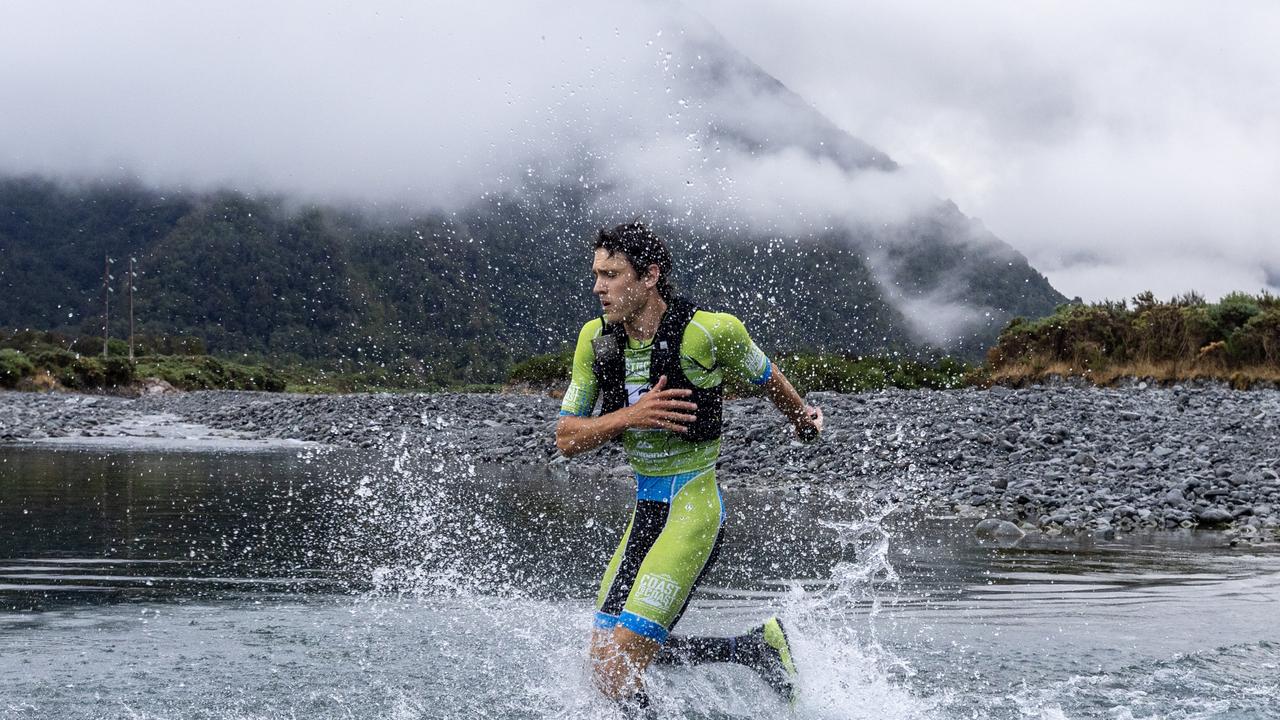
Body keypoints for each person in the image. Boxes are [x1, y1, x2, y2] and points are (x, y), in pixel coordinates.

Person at [555, 221, 824, 710]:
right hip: (645, 513)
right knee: (601, 666)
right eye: (596, 274)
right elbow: (567, 438)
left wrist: (803, 420)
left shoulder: (710, 332)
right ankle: (752, 650)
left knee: (618, 669)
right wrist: (632, 416)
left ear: (650, 275)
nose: (598, 287)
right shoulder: (595, 340)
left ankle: (753, 652)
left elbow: (767, 377)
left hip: (692, 512)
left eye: (612, 275)